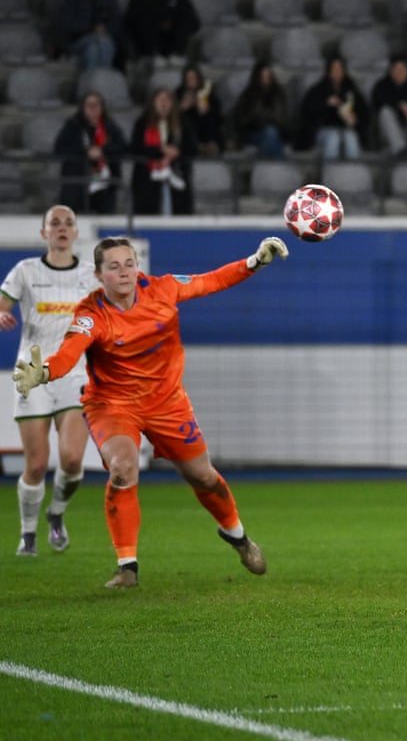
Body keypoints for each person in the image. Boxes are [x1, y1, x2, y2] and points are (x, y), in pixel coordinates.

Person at [11, 235, 290, 588]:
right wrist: (45, 372)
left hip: (167, 403)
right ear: (99, 275)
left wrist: (255, 261)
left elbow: (213, 280)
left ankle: (237, 537)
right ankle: (127, 567)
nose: (124, 272)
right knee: (123, 468)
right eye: (113, 267)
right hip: (113, 404)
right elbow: (69, 353)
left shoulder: (164, 288)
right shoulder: (91, 314)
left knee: (203, 476)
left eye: (129, 263)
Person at [2, 206, 94, 556]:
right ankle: (28, 534)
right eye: (54, 223)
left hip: (75, 374)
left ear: (75, 233)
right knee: (37, 464)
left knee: (71, 460)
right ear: (43, 233)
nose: (61, 228)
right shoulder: (25, 271)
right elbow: (2, 305)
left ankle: (56, 513)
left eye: (68, 222)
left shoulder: (90, 275)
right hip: (33, 375)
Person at [52, 91, 127, 215]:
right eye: (89, 105)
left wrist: (103, 151)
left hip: (104, 187)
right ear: (83, 108)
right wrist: (86, 153)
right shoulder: (73, 126)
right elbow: (59, 149)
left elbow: (123, 147)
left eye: (96, 105)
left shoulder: (110, 127)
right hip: (77, 186)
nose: (93, 109)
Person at [129, 88, 197, 215]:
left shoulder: (183, 124)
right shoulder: (142, 123)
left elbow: (192, 148)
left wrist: (177, 152)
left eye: (167, 100)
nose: (164, 104)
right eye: (160, 100)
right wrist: (160, 151)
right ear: (153, 103)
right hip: (148, 181)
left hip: (177, 178)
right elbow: (135, 149)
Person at [122, 0, 199, 66]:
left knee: (184, 18)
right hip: (149, 45)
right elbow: (129, 25)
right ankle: (154, 56)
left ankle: (176, 55)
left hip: (174, 39)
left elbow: (194, 22)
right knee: (143, 20)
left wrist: (172, 24)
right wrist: (157, 24)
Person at [299, 55, 368, 160]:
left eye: (340, 69)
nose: (337, 72)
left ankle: (353, 173)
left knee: (351, 138)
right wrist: (326, 103)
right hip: (323, 130)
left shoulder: (351, 89)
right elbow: (306, 110)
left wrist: (355, 119)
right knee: (333, 137)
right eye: (334, 69)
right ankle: (330, 173)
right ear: (328, 71)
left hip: (346, 130)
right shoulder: (318, 89)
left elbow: (364, 112)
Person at [56, 0, 121, 70]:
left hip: (103, 38)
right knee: (101, 41)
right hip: (77, 41)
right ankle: (103, 79)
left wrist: (105, 28)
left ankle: (92, 83)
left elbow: (117, 22)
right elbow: (66, 24)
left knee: (93, 49)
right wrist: (91, 29)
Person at [232, 61, 290, 159]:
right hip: (252, 132)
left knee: (270, 134)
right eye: (262, 76)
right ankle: (281, 167)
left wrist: (263, 115)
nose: (265, 79)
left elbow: (282, 119)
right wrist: (254, 114)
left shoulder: (278, 93)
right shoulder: (248, 94)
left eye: (268, 76)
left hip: (276, 130)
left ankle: (265, 169)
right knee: (271, 134)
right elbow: (241, 120)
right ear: (257, 77)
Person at [176, 64, 225, 156]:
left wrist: (206, 109)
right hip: (187, 131)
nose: (191, 80)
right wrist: (182, 108)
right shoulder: (179, 93)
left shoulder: (208, 93)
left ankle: (208, 145)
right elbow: (171, 114)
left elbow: (218, 116)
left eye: (193, 77)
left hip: (208, 131)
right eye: (188, 78)